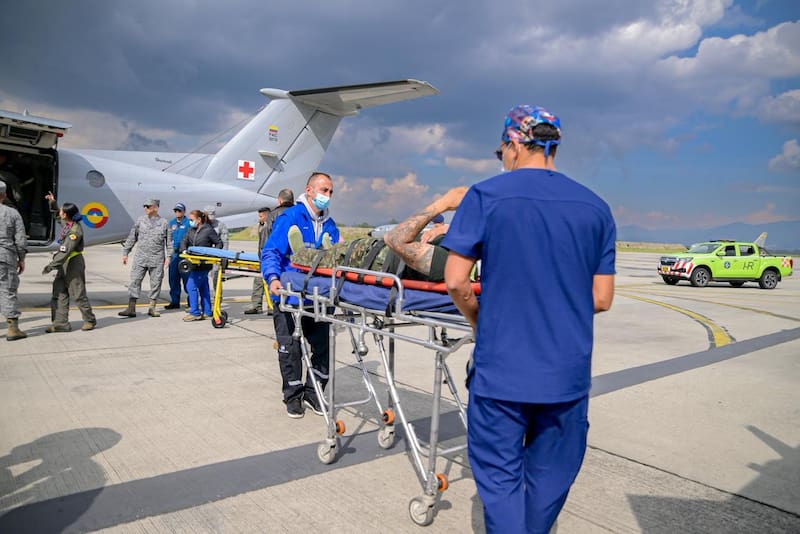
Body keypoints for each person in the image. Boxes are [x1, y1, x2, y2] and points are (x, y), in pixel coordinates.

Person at [442, 105, 616, 533]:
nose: (501, 158)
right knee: (549, 481)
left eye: (500, 149)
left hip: (502, 371)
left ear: (516, 143)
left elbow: (455, 283)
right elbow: (602, 298)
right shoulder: (596, 208)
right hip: (565, 376)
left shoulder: (486, 195)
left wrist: (480, 321)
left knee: (500, 482)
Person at [262, 172, 340, 418]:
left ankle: (314, 393)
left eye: (330, 192)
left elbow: (337, 259)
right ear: (309, 190)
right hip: (289, 296)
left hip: (319, 299)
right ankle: (293, 396)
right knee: (290, 348)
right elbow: (271, 251)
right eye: (323, 190)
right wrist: (273, 278)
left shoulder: (330, 226)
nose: (326, 196)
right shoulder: (291, 218)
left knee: (322, 348)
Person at [383, 187, 468, 282]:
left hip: (371, 260)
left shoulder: (450, 262)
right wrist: (448, 229)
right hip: (377, 251)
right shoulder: (459, 245)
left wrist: (443, 204)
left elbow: (393, 239)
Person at [41, 194, 97, 333]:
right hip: (64, 263)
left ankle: (89, 320)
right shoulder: (68, 224)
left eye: (61, 211)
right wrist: (52, 202)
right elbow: (57, 216)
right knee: (59, 292)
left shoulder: (75, 231)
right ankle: (61, 323)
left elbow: (65, 250)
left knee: (77, 293)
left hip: (73, 263)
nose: (60, 213)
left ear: (66, 214)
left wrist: (51, 265)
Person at [118, 198, 171, 318]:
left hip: (157, 258)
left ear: (155, 208)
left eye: (148, 206)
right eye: (145, 206)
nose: (145, 209)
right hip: (140, 258)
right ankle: (131, 308)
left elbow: (169, 242)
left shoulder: (164, 223)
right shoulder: (140, 221)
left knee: (156, 283)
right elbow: (132, 237)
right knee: (134, 281)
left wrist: (169, 256)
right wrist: (125, 252)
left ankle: (152, 307)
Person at [245, 189, 295, 315]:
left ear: (279, 200)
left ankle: (268, 306)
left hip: (275, 259)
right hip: (295, 262)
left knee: (269, 281)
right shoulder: (299, 213)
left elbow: (266, 242)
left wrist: (263, 259)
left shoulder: (273, 215)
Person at [179, 209, 222, 321]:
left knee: (191, 286)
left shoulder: (208, 230)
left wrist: (212, 254)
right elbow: (184, 241)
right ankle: (207, 311)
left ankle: (195, 312)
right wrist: (184, 250)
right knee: (203, 287)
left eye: (192, 219)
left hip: (203, 264)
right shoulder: (191, 230)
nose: (190, 221)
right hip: (193, 263)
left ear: (199, 219)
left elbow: (219, 243)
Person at [0, 181, 27, 341]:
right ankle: (12, 329)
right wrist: (21, 258)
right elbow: (21, 239)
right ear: (4, 195)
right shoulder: (12, 213)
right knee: (7, 290)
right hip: (5, 256)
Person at [165, 202, 191, 310]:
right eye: (175, 211)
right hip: (174, 254)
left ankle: (191, 301)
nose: (177, 213)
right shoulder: (171, 223)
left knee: (187, 279)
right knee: (173, 279)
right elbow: (168, 238)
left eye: (179, 211)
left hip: (185, 254)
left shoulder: (188, 223)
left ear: (184, 211)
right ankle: (175, 301)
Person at [206, 205, 229, 304]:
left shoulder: (220, 225)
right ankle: (204, 299)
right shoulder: (201, 224)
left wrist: (223, 257)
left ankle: (218, 297)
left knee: (216, 277)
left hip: (216, 256)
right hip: (203, 256)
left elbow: (225, 242)